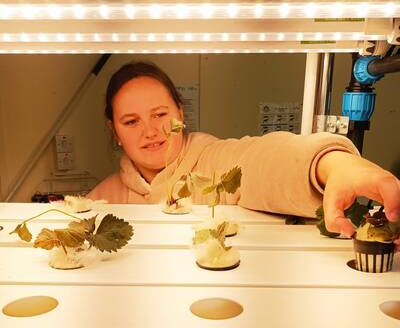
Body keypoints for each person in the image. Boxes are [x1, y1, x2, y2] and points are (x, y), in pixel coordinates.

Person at [88, 61, 400, 238]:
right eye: (131, 121)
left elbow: (262, 160)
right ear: (114, 131)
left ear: (180, 114)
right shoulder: (101, 198)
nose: (151, 131)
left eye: (159, 114)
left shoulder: (211, 161)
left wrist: (332, 166)